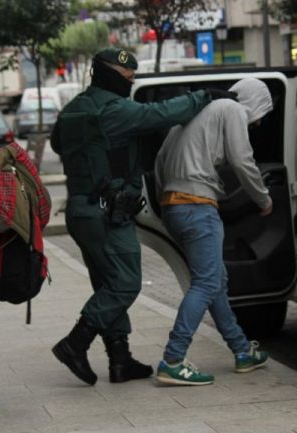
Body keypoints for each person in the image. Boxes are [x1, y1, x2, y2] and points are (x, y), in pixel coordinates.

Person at [50, 48, 231, 386]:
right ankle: (75, 343)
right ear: (108, 76)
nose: (131, 83)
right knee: (125, 284)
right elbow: (158, 114)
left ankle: (120, 359)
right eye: (127, 79)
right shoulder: (116, 110)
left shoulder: (73, 110)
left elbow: (59, 144)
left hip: (80, 210)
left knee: (106, 283)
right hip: (108, 213)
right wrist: (203, 97)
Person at [153, 78, 273, 385]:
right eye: (261, 116)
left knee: (215, 280)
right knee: (207, 282)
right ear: (255, 102)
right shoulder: (231, 109)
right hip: (198, 205)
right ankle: (173, 359)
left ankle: (242, 350)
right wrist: (263, 199)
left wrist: (167, 203)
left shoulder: (193, 113)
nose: (258, 124)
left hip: (174, 205)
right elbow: (243, 160)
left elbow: (160, 162)